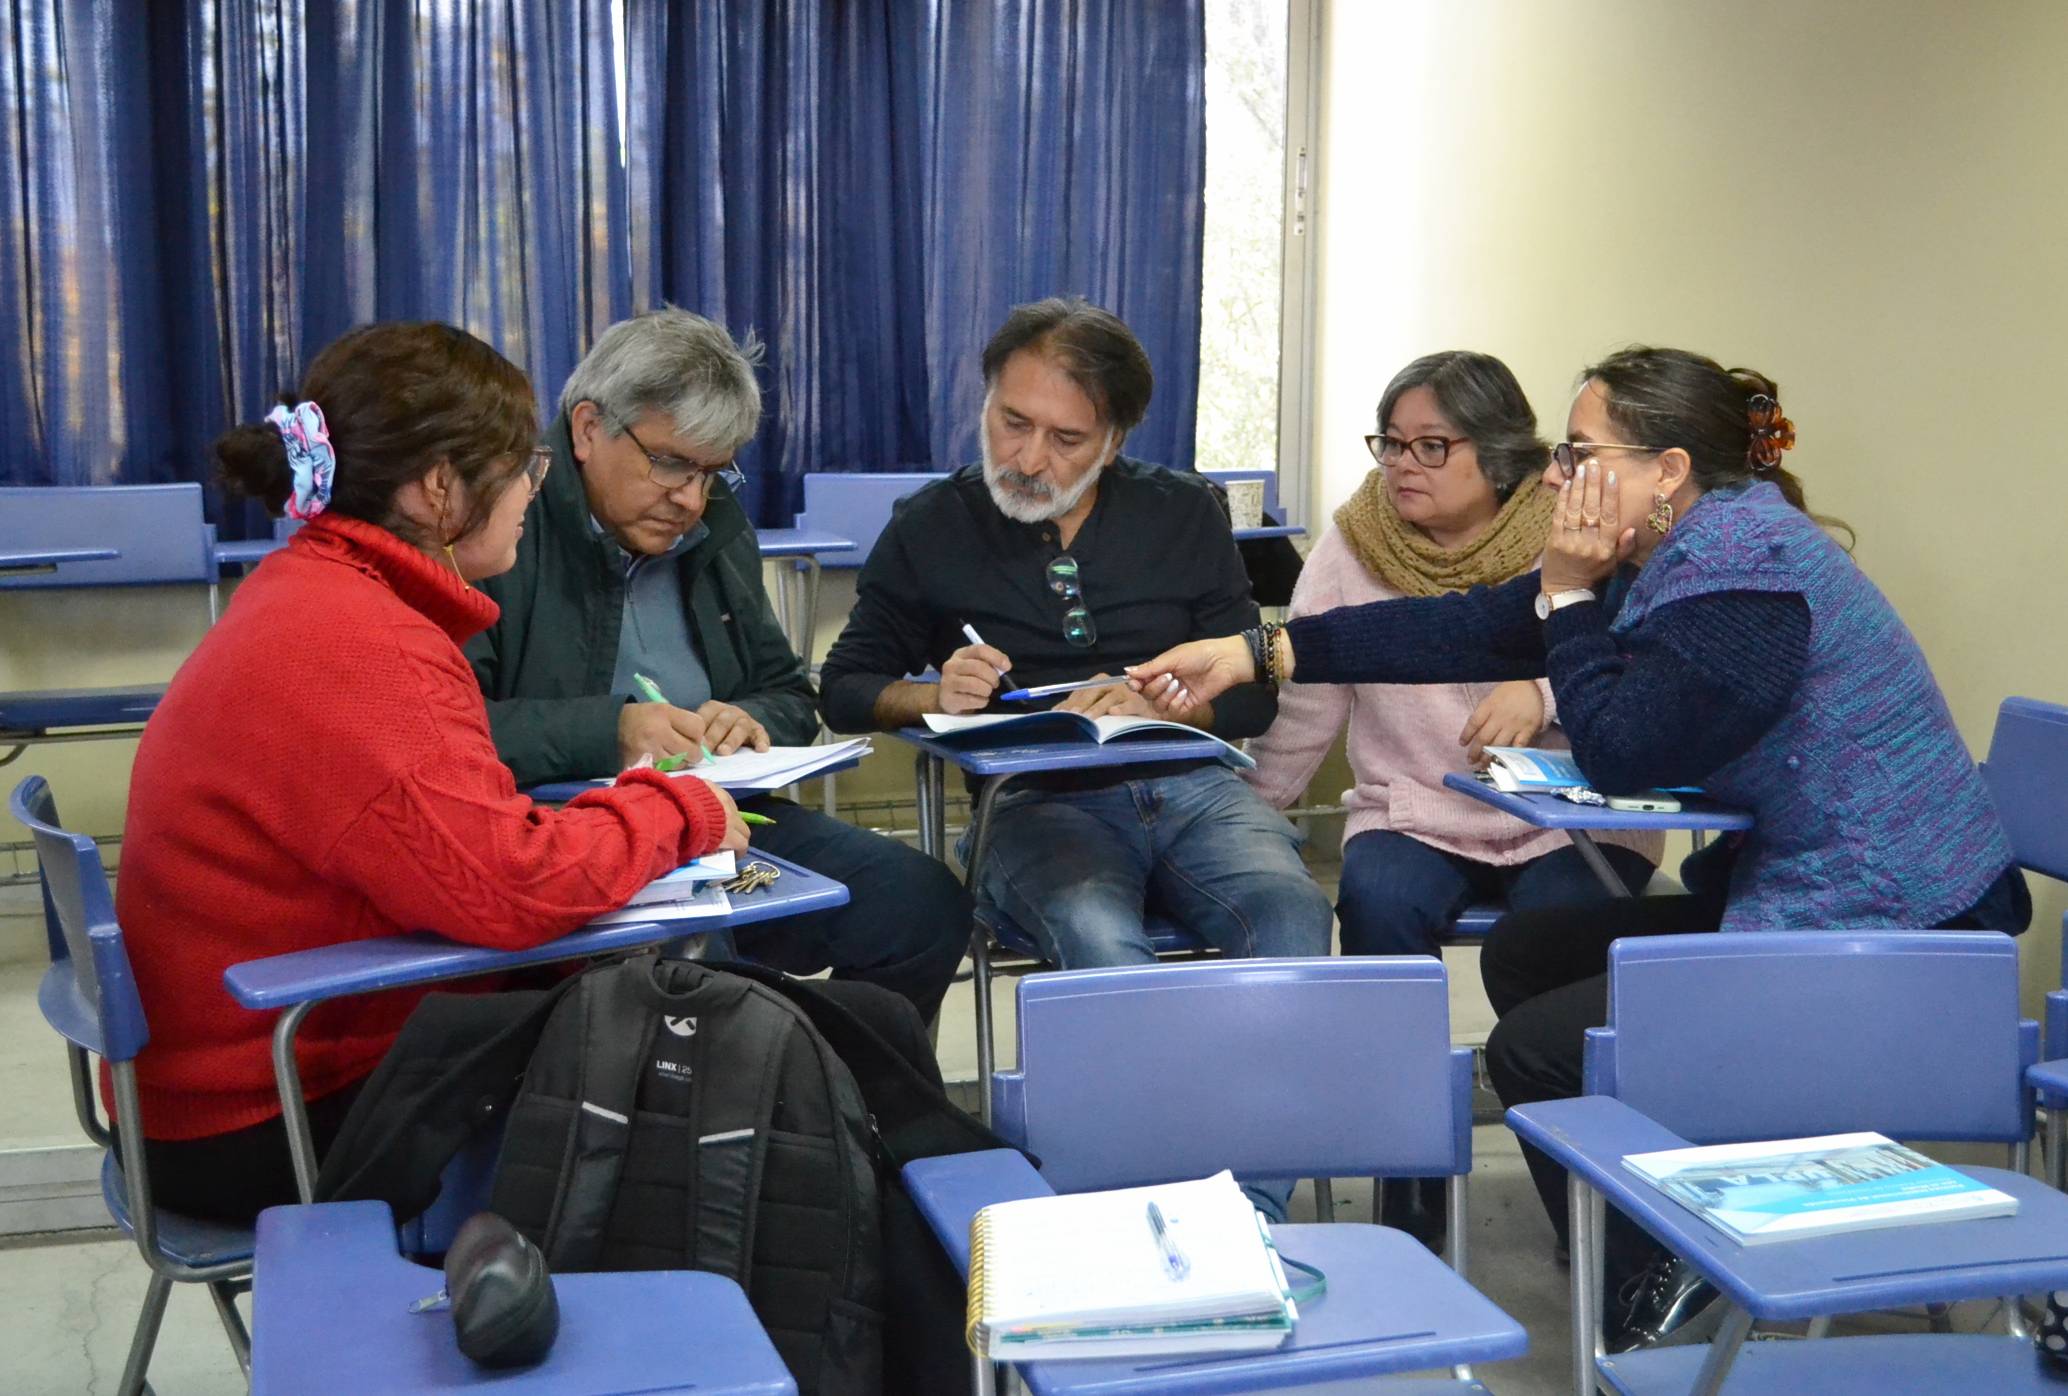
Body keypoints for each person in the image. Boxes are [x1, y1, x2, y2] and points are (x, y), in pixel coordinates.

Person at [1129, 345, 2029, 1342]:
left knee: (1537, 1052)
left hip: (1899, 926)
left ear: (1668, 471)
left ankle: (1657, 1294)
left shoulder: (1748, 573)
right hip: (1814, 892)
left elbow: (1627, 746)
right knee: (1530, 954)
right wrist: (1258, 649)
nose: (1556, 477)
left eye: (1579, 453)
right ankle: (1633, 1222)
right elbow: (1466, 628)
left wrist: (1565, 594)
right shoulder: (1676, 553)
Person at [117, 322, 747, 1223]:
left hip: (242, 1074)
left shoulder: (317, 594)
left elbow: (466, 846)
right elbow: (510, 887)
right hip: (266, 1116)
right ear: (440, 487)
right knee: (709, 1062)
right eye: (521, 466)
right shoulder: (364, 646)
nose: (533, 489)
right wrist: (681, 810)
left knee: (679, 1018)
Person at [464, 308, 969, 1023]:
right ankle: (752, 1083)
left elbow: (788, 692)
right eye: (671, 463)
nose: (690, 498)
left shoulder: (714, 525)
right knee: (704, 960)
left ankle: (838, 1089)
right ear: (587, 429)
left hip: (720, 821)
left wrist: (748, 719)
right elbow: (457, 733)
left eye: (711, 471)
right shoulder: (499, 528)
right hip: (568, 835)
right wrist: (612, 731)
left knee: (920, 903)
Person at [818, 296, 1334, 973]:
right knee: (1099, 936)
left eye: (1066, 440)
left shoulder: (1183, 511)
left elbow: (1254, 698)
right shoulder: (931, 525)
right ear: (986, 402)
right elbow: (843, 689)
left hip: (1195, 788)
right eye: (1013, 423)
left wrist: (1160, 708)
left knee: (1292, 909)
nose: (1029, 459)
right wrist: (933, 698)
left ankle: (1240, 1054)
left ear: (1113, 442)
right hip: (1034, 799)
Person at [1246, 351, 1660, 959]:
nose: (1403, 465)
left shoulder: (1577, 529)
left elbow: (1639, 659)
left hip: (1574, 816)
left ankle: (1544, 1029)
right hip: (1413, 815)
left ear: (1497, 453)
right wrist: (1237, 817)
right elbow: (1307, 703)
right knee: (1376, 903)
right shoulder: (1351, 545)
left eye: (1431, 446)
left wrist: (1542, 695)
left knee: (1559, 931)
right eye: (1392, 444)